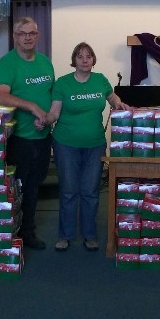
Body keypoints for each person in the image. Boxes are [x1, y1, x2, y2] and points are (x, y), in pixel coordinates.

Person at [46, 42, 130, 252]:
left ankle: (89, 235)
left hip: (95, 145)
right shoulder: (63, 83)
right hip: (66, 144)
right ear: (74, 60)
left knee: (91, 191)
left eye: (88, 56)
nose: (85, 60)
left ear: (93, 60)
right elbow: (55, 112)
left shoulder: (100, 80)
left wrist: (119, 104)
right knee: (68, 191)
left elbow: (112, 98)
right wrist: (44, 120)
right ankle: (65, 235)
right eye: (80, 56)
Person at [0, 17, 55, 250]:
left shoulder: (45, 63)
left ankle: (28, 230)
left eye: (32, 33)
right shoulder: (7, 63)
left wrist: (47, 117)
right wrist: (32, 107)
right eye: (23, 33)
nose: (28, 37)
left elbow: (52, 94)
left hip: (42, 136)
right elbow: (1, 96)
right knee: (19, 186)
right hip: (20, 138)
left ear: (37, 36)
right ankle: (15, 234)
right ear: (15, 37)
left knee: (35, 186)